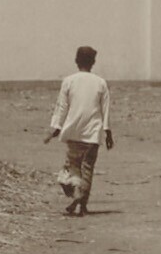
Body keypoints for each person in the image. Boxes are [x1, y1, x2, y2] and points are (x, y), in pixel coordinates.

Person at [43, 45, 111, 217]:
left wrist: (55, 129)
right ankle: (83, 205)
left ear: (76, 61)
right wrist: (108, 132)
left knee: (72, 168)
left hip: (74, 133)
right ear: (93, 62)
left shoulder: (69, 81)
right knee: (87, 169)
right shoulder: (100, 82)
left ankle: (76, 193)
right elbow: (106, 109)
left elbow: (61, 107)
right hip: (93, 134)